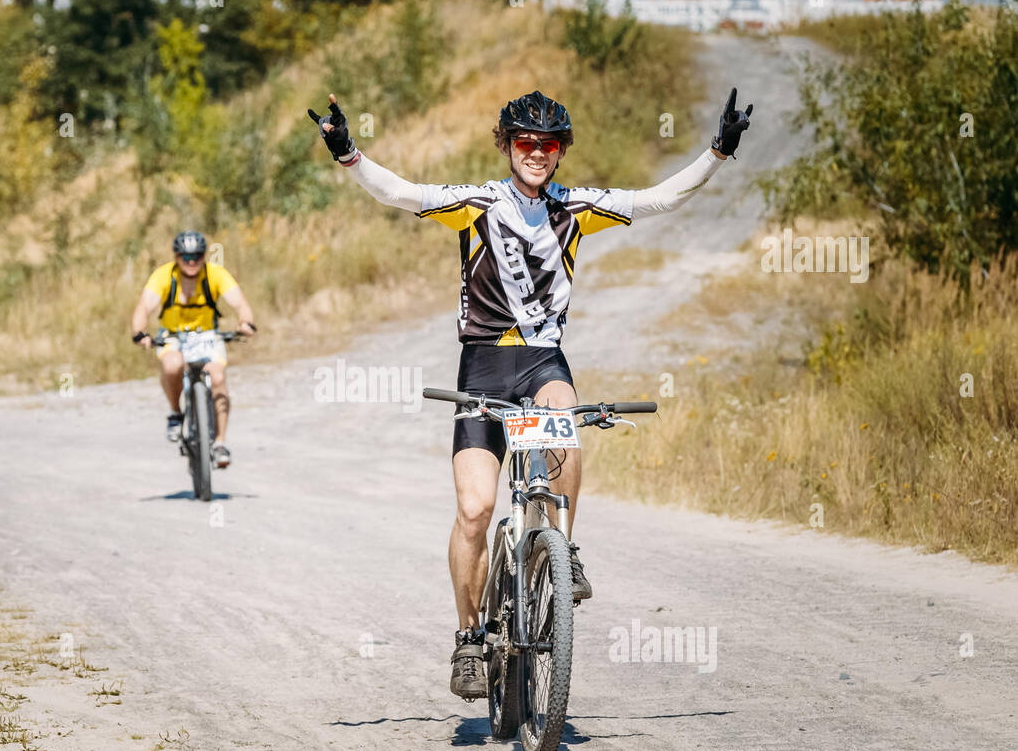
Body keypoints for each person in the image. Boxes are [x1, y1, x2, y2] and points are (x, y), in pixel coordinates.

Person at [308, 87, 752, 699]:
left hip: (542, 363)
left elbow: (658, 199)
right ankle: (469, 637)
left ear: (561, 151)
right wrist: (347, 151)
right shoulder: (476, 204)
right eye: (525, 142)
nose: (536, 153)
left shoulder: (577, 207)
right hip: (484, 368)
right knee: (474, 511)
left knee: (565, 422)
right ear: (506, 145)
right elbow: (402, 192)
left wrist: (717, 152)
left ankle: (561, 549)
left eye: (548, 144)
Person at [129, 231, 258, 469]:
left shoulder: (215, 274)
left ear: (203, 256)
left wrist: (245, 322)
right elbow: (144, 306)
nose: (191, 262)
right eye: (186, 257)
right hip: (173, 336)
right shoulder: (164, 275)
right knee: (172, 365)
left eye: (197, 257)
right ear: (177, 257)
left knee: (218, 378)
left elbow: (240, 302)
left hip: (208, 336)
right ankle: (176, 413)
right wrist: (139, 332)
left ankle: (220, 442)